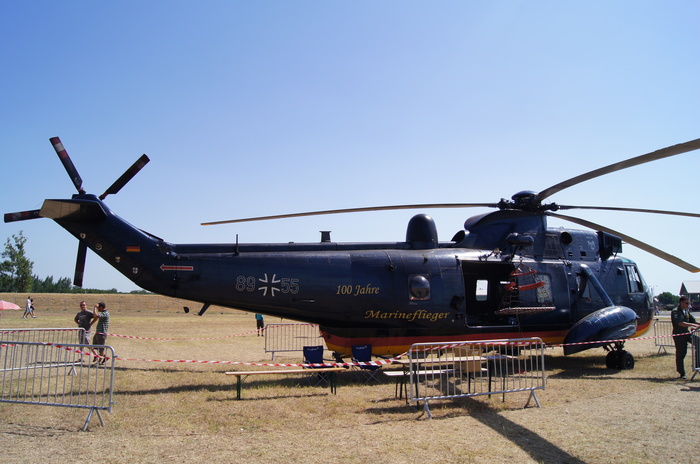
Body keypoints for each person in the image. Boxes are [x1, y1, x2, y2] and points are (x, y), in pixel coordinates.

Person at [670, 296, 700, 379]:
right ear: (681, 303)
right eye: (687, 303)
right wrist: (692, 325)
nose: (688, 305)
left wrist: (698, 324)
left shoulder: (686, 311)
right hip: (679, 335)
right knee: (681, 354)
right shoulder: (675, 311)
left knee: (699, 343)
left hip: (687, 333)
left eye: (689, 303)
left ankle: (698, 365)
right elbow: (679, 323)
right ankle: (682, 373)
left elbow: (692, 320)